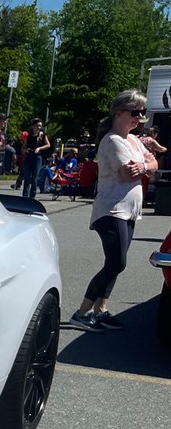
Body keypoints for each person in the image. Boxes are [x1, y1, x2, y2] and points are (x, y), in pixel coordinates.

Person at [69, 90, 158, 331]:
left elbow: (155, 162)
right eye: (135, 112)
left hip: (129, 211)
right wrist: (144, 166)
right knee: (117, 263)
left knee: (114, 262)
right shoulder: (112, 141)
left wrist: (144, 164)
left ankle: (101, 310)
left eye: (142, 112)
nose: (139, 117)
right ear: (119, 112)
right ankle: (81, 312)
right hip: (112, 211)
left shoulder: (133, 139)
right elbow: (127, 173)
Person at [20, 118, 51, 199]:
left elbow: (48, 145)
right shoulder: (29, 136)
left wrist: (39, 148)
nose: (39, 128)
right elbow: (23, 147)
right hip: (29, 156)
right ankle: (25, 195)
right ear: (33, 126)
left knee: (34, 177)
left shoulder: (42, 135)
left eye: (40, 126)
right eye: (37, 126)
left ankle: (32, 196)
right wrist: (25, 150)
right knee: (27, 177)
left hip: (38, 157)